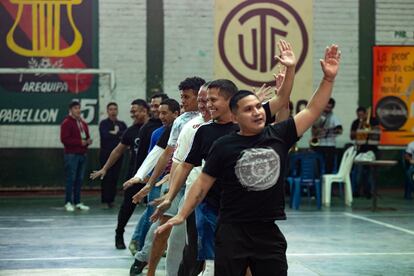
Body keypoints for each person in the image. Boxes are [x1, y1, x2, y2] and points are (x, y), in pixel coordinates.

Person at [156, 44, 340, 275]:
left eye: (258, 107)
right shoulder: (223, 145)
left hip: (267, 231)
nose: (257, 112)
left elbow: (313, 110)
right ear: (235, 116)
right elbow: (201, 183)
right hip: (232, 230)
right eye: (248, 109)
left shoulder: (278, 135)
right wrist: (181, 214)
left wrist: (328, 79)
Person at [128, 76, 205, 276]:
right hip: (177, 183)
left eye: (187, 97)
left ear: (200, 96)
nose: (183, 101)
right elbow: (165, 153)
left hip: (203, 184)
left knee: (199, 237)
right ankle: (150, 269)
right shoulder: (181, 121)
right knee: (164, 230)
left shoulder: (214, 118)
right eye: (182, 97)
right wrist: (149, 181)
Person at [90, 95, 166, 249]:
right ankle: (119, 234)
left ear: (144, 111)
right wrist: (105, 168)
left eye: (135, 111)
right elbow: (118, 151)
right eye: (131, 112)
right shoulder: (132, 131)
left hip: (156, 176)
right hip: (135, 175)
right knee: (127, 207)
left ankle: (147, 242)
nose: (132, 114)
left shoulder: (162, 127)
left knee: (153, 209)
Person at [60, 100, 92, 212]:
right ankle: (68, 202)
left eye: (79, 108)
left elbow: (86, 136)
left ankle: (77, 202)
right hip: (71, 155)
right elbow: (64, 139)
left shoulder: (83, 123)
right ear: (70, 110)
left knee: (79, 179)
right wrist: (80, 142)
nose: (78, 110)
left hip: (82, 155)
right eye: (75, 108)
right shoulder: (66, 123)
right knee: (71, 179)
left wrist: (88, 141)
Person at [98, 102, 127, 208]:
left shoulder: (121, 124)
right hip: (105, 154)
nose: (113, 111)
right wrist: (116, 135)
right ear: (107, 111)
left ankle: (112, 200)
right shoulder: (103, 123)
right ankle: (105, 200)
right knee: (106, 176)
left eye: (115, 109)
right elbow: (105, 135)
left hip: (118, 156)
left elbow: (126, 135)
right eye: (111, 109)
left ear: (117, 111)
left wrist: (116, 134)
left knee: (115, 177)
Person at [350, 106, 380, 198]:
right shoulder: (356, 122)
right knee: (358, 171)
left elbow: (377, 134)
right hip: (360, 150)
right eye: (359, 115)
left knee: (370, 172)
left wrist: (369, 128)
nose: (361, 117)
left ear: (366, 114)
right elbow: (351, 136)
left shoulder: (374, 121)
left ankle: (369, 192)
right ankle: (356, 191)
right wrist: (360, 126)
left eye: (362, 115)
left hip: (371, 149)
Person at [311, 97, 343, 173]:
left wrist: (328, 130)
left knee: (329, 166)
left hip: (330, 145)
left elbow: (340, 130)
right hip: (319, 144)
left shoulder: (334, 117)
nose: (327, 109)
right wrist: (317, 130)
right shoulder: (318, 116)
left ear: (332, 108)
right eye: (326, 106)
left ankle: (327, 179)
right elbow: (313, 131)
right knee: (317, 165)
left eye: (329, 107)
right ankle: (318, 179)